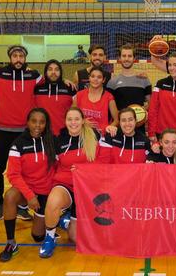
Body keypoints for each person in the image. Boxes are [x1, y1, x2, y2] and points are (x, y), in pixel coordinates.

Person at [39, 107, 101, 258]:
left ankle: (64, 221)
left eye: (77, 119)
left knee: (75, 238)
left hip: (86, 188)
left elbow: (102, 161)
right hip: (66, 184)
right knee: (53, 201)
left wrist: (84, 170)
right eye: (70, 119)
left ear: (83, 120)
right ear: (65, 121)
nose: (73, 123)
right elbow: (52, 165)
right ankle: (49, 238)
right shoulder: (58, 139)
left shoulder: (94, 135)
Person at [0, 45, 42, 221]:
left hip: (24, 133)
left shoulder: (34, 76)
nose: (18, 59)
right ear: (10, 58)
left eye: (21, 56)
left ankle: (21, 206)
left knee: (26, 171)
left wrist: (68, 82)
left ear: (25, 58)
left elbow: (51, 81)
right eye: (15, 56)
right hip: (2, 131)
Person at [0, 108, 56, 262]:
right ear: (27, 123)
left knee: (38, 237)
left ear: (46, 124)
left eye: (42, 122)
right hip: (26, 191)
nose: (37, 125)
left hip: (45, 192)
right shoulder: (18, 144)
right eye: (34, 121)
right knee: (10, 196)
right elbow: (13, 175)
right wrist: (30, 196)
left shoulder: (52, 141)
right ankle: (11, 243)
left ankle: (56, 220)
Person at [106, 44, 152, 133]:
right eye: (124, 56)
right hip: (120, 127)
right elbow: (109, 106)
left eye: (129, 56)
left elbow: (151, 103)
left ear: (134, 58)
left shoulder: (144, 80)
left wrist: (141, 110)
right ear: (119, 58)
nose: (126, 59)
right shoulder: (113, 82)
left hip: (139, 127)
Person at [74, 66, 118, 136]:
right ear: (89, 78)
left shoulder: (109, 97)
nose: (95, 79)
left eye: (99, 77)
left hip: (102, 137)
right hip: (82, 135)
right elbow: (71, 115)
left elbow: (116, 120)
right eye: (93, 76)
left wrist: (109, 128)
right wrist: (82, 121)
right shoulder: (79, 95)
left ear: (103, 80)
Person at [34, 59, 75, 135]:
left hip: (65, 134)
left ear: (61, 72)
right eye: (50, 69)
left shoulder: (70, 88)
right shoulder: (37, 88)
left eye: (56, 70)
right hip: (42, 134)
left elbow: (77, 110)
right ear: (45, 72)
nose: (53, 72)